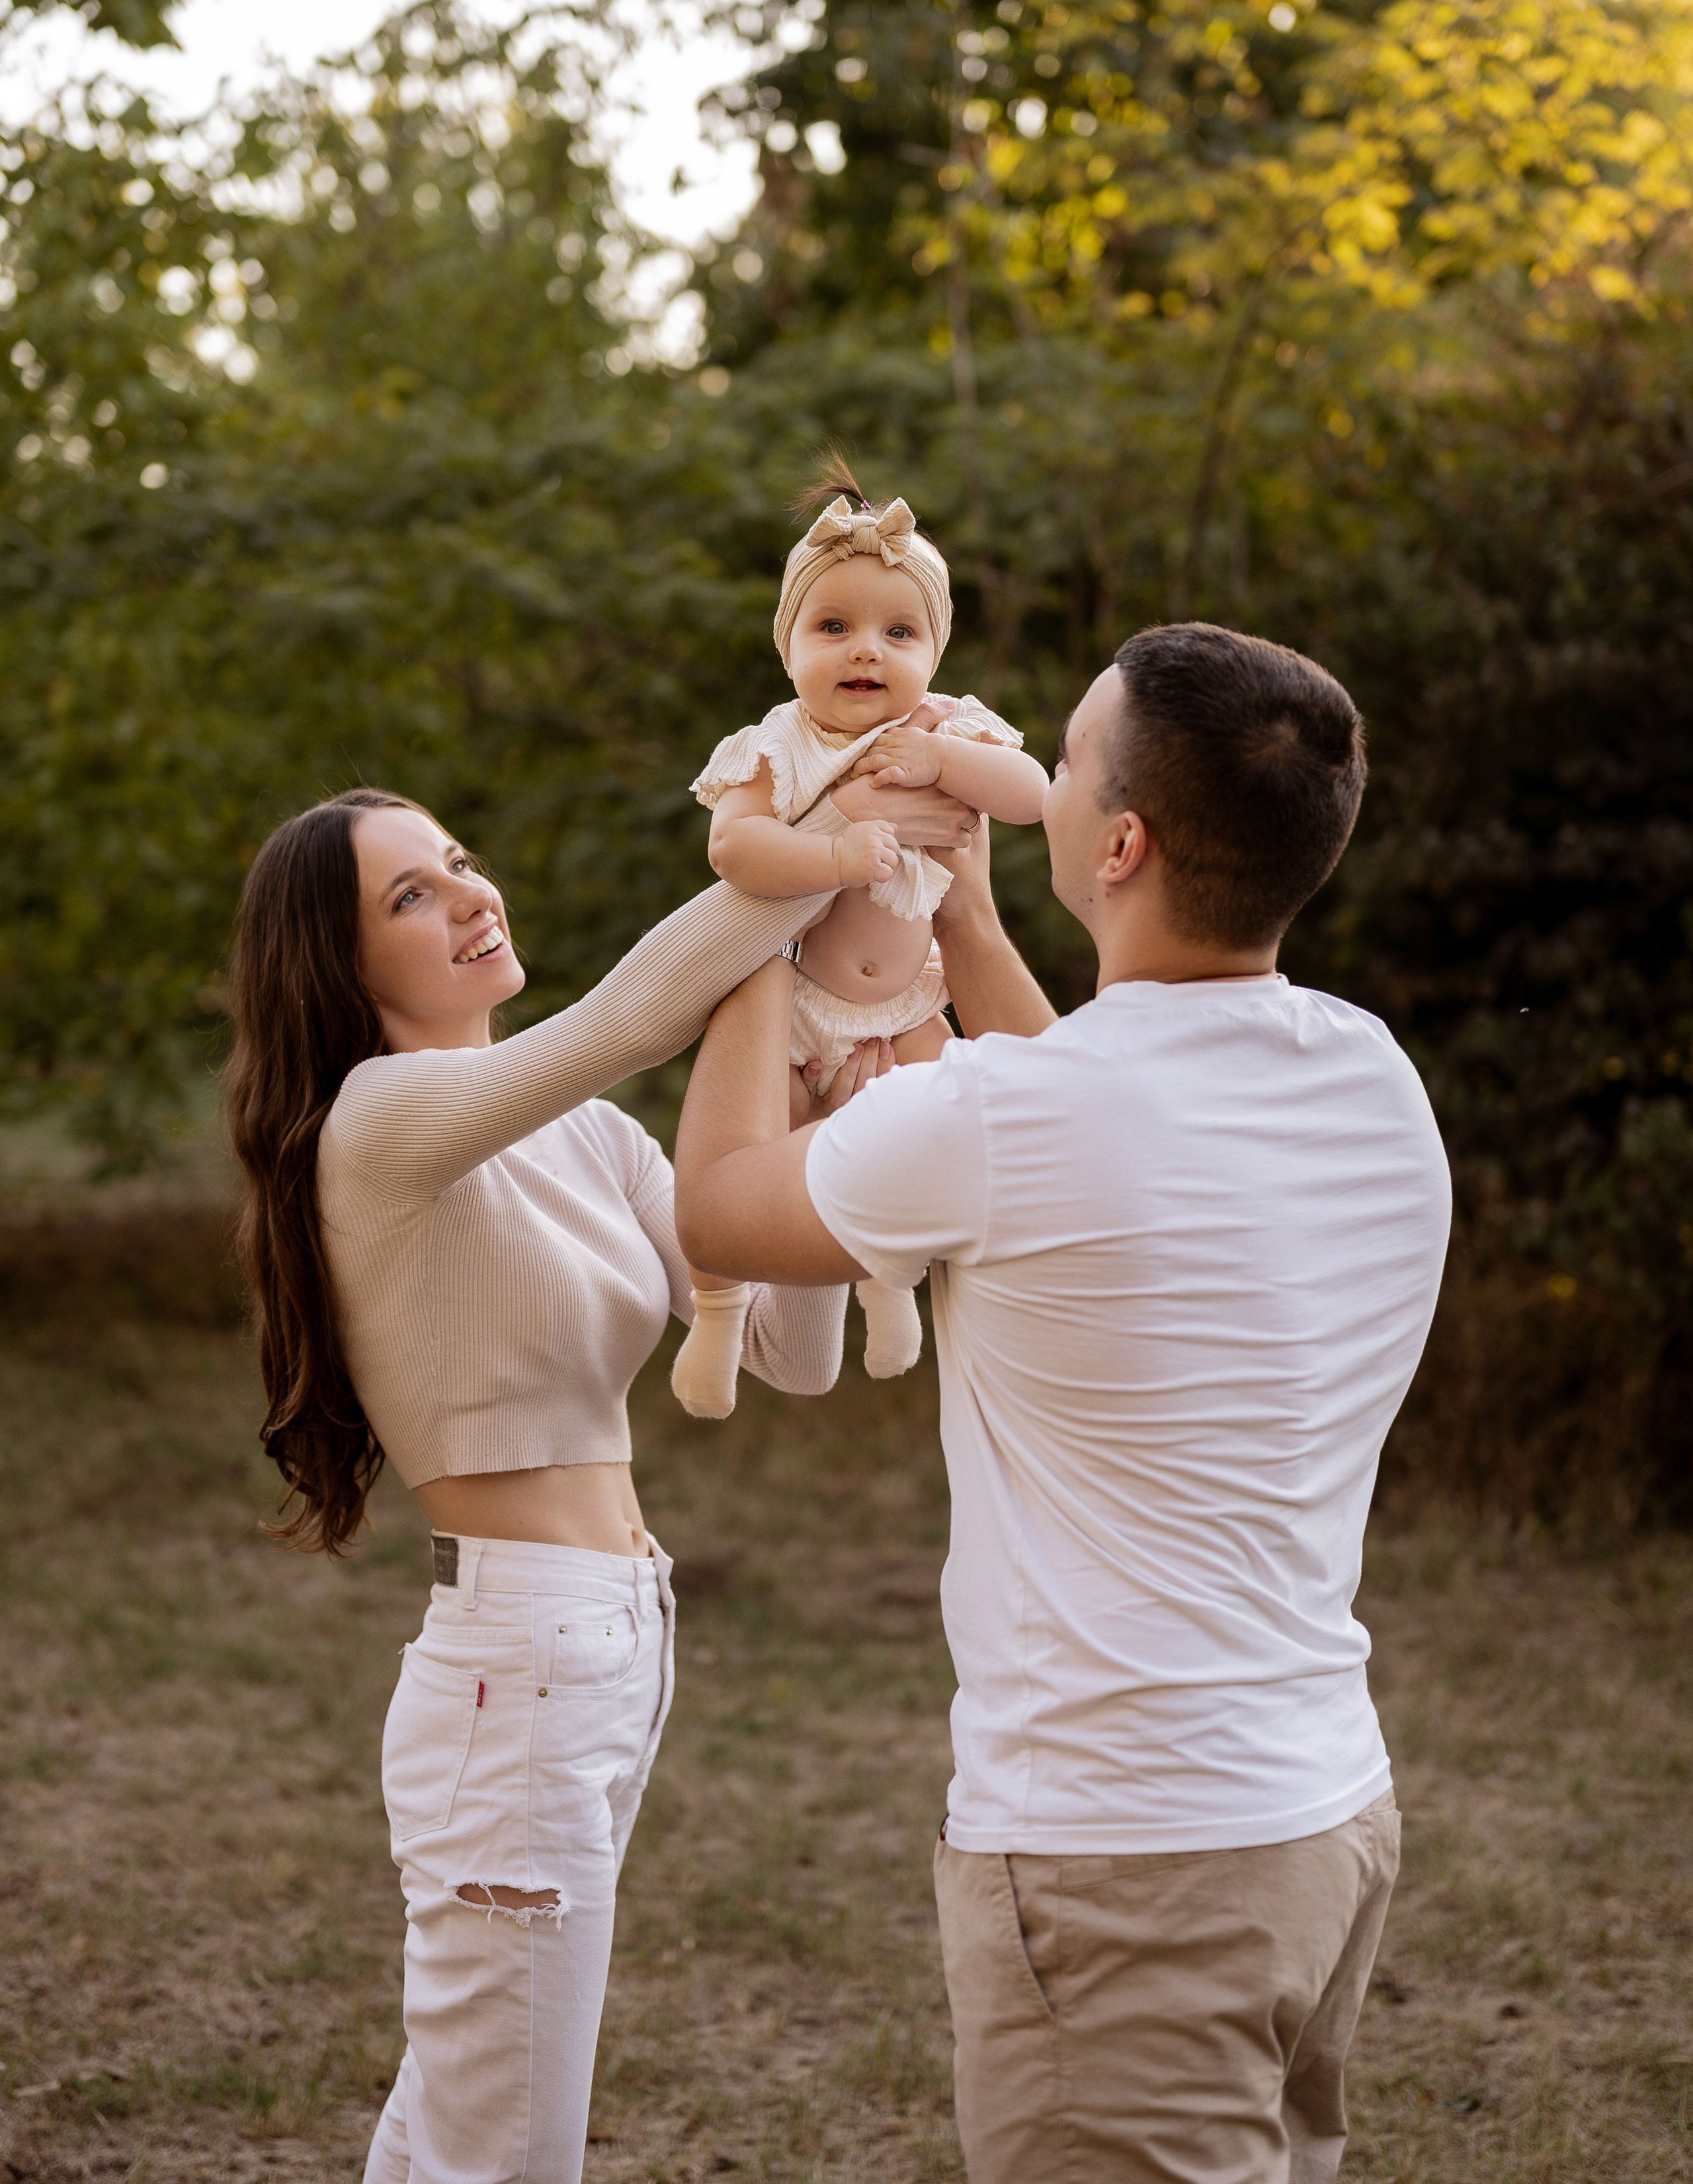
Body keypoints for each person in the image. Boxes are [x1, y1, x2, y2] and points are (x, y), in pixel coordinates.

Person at [673, 622, 1453, 2184]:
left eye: (1064, 755)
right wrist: (957, 915)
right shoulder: (1368, 1074)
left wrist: (763, 943)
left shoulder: (1002, 1115)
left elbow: (716, 1212)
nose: (1023, 764)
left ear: (1115, 841)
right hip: (1319, 1817)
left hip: (1123, 1862)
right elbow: (1099, 1111)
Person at [222, 774, 974, 2184]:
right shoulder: (378, 1119)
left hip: (608, 1642)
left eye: (459, 861)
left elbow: (791, 1351)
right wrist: (838, 827)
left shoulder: (583, 1137)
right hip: (519, 1661)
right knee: (506, 2143)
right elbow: (631, 1018)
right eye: (411, 896)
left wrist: (818, 1094)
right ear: (340, 962)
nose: (468, 895)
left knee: (466, 2115)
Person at [673, 469, 1048, 1415]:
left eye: (898, 632)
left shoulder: (943, 726)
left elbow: (1034, 795)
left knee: (941, 1129)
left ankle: (893, 1291)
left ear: (935, 650)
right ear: (789, 647)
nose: (865, 652)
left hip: (911, 999)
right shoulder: (780, 743)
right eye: (832, 628)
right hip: (797, 1007)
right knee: (761, 1160)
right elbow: (733, 847)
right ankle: (718, 1319)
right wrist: (836, 849)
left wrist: (947, 761)